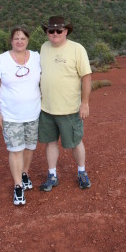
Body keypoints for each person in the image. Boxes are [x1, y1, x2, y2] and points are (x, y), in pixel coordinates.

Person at [39, 15, 92, 191]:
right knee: (50, 142)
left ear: (66, 31)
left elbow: (86, 77)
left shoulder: (77, 49)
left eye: (58, 30)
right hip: (46, 108)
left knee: (76, 141)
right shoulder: (44, 47)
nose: (54, 33)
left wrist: (84, 103)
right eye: (50, 30)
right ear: (47, 32)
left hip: (69, 108)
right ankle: (52, 175)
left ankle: (82, 172)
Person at [0, 26, 41, 206]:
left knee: (29, 147)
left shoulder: (36, 57)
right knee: (16, 150)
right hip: (11, 115)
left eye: (23, 38)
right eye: (16, 38)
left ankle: (25, 173)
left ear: (28, 40)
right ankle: (18, 185)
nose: (19, 41)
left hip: (33, 113)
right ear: (11, 41)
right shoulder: (1, 60)